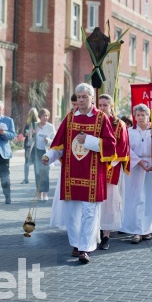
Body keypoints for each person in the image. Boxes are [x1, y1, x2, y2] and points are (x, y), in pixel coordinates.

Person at [42, 83, 116, 264]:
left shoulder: (101, 118)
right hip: (71, 173)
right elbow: (59, 144)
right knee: (72, 213)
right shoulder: (70, 118)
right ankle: (76, 244)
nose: (81, 100)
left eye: (84, 96)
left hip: (92, 174)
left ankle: (85, 248)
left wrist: (89, 140)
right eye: (78, 96)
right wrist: (49, 156)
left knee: (89, 212)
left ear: (92, 98)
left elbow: (110, 145)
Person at [121, 103, 152, 243]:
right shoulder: (130, 132)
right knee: (138, 198)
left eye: (143, 115)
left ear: (148, 116)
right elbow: (125, 149)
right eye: (138, 115)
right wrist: (138, 161)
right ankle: (138, 230)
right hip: (137, 167)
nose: (140, 118)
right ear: (135, 117)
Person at [97, 94, 130, 250]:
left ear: (111, 106)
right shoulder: (95, 122)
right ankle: (95, 232)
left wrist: (109, 162)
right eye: (100, 105)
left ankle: (106, 235)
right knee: (95, 202)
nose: (102, 108)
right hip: (95, 168)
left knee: (109, 203)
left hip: (111, 168)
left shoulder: (119, 124)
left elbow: (122, 147)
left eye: (105, 105)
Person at [31, 108, 55, 201]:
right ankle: (38, 193)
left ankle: (45, 193)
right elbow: (29, 139)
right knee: (37, 172)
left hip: (46, 152)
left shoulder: (50, 126)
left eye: (47, 115)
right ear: (40, 116)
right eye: (43, 115)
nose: (45, 117)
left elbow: (55, 140)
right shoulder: (35, 126)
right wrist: (31, 134)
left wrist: (48, 140)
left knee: (45, 173)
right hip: (37, 151)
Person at [21, 108, 38, 184]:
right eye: (31, 114)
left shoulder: (38, 123)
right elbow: (24, 132)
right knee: (27, 162)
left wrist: (34, 133)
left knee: (36, 162)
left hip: (35, 145)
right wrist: (27, 133)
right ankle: (26, 178)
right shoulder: (27, 123)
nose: (32, 116)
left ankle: (37, 178)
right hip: (28, 145)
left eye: (33, 114)